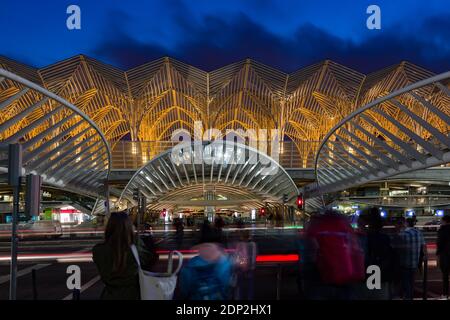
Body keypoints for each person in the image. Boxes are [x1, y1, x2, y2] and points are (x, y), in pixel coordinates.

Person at [303, 210, 365, 300]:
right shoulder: (345, 226)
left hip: (323, 276)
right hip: (346, 274)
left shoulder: (318, 226)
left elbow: (312, 249)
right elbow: (356, 249)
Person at [92, 211, 154, 300]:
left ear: (109, 227)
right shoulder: (135, 248)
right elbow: (149, 260)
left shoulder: (98, 250)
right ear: (129, 227)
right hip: (134, 295)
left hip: (109, 295)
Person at [392, 216, 427, 300]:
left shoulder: (402, 234)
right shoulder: (419, 233)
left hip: (404, 263)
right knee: (411, 283)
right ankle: (409, 297)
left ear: (405, 224)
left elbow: (393, 247)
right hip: (414, 263)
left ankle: (406, 297)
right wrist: (424, 257)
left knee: (405, 283)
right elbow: (424, 246)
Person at [232, 230, 257, 300]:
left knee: (240, 287)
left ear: (242, 237)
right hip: (251, 268)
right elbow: (254, 256)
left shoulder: (239, 245)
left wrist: (236, 265)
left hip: (241, 268)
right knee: (250, 288)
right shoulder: (253, 244)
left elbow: (237, 256)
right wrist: (251, 266)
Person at [436, 215, 450, 299]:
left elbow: (440, 243)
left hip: (445, 255)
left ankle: (445, 294)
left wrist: (438, 254)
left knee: (445, 276)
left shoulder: (442, 230)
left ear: (445, 221)